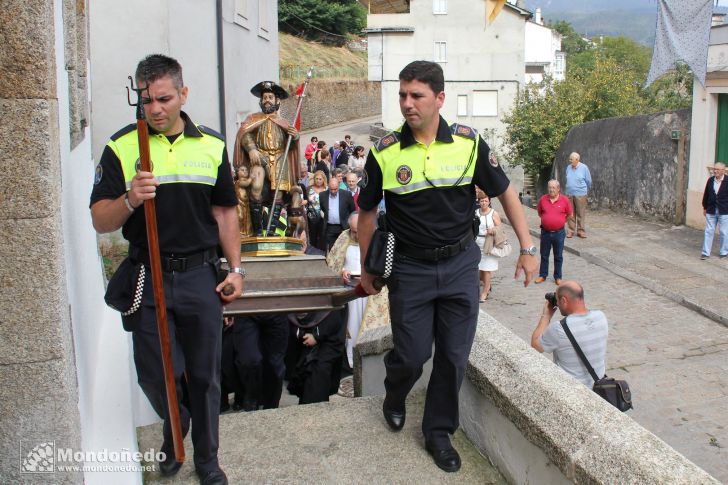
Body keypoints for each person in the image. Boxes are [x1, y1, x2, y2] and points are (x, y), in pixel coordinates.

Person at [357, 60, 537, 473]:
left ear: (439, 98)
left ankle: (438, 433)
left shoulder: (469, 144)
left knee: (454, 357)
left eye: (415, 95)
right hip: (410, 270)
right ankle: (395, 391)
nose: (406, 104)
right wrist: (369, 268)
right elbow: (366, 214)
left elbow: (506, 192)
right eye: (402, 95)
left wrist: (528, 247)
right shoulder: (384, 152)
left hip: (459, 266)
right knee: (412, 353)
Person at [90, 54, 241, 485]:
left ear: (183, 94)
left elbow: (225, 212)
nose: (154, 108)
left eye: (163, 98)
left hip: (200, 276)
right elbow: (101, 220)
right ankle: (176, 429)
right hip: (148, 274)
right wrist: (132, 198)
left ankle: (207, 460)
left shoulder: (212, 145)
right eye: (145, 100)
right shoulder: (123, 146)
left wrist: (237, 270)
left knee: (206, 374)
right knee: (155, 373)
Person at [233, 81, 303, 237]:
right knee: (256, 185)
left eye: (270, 97)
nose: (267, 100)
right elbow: (244, 134)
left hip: (279, 159)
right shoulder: (253, 119)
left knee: (278, 194)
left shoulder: (283, 122)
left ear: (277, 101)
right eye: (264, 97)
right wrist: (251, 149)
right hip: (260, 158)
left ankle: (271, 231)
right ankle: (257, 230)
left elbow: (290, 147)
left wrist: (295, 137)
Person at [531, 281, 608, 387]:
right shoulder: (601, 317)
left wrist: (546, 316)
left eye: (557, 300)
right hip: (598, 389)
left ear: (563, 300)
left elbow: (535, 346)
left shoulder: (559, 329)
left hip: (572, 390)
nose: (557, 303)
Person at [535, 180, 572, 285]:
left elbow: (570, 215)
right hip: (545, 232)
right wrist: (548, 220)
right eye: (549, 187)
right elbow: (540, 212)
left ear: (558, 189)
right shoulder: (543, 199)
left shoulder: (564, 200)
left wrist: (561, 222)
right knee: (544, 255)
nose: (551, 189)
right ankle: (542, 275)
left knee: (558, 256)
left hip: (559, 233)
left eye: (553, 188)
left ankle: (558, 277)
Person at [474, 193, 501, 302]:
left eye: (485, 201)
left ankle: (484, 292)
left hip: (489, 243)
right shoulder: (476, 213)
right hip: (477, 242)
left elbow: (499, 227)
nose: (484, 203)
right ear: (479, 202)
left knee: (487, 268)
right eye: (481, 201)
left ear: (489, 201)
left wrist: (493, 230)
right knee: (480, 268)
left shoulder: (493, 213)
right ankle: (487, 286)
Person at [320, 176, 356, 252]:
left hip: (343, 227)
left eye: (335, 189)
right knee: (332, 250)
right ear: (328, 187)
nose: (333, 191)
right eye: (331, 189)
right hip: (330, 228)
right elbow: (323, 208)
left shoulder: (346, 195)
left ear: (339, 186)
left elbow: (352, 209)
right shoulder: (322, 195)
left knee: (344, 249)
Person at [701, 162, 728, 260]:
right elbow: (706, 194)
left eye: (717, 169)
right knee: (709, 231)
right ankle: (705, 253)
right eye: (714, 169)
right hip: (711, 209)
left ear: (723, 171)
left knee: (724, 232)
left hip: (724, 211)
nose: (715, 171)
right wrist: (705, 207)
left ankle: (724, 252)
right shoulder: (710, 180)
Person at [564, 152, 592, 238]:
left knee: (581, 213)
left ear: (577, 160)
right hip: (569, 194)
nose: (570, 161)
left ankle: (581, 231)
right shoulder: (568, 167)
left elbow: (589, 181)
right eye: (570, 159)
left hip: (581, 194)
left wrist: (583, 190)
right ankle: (571, 230)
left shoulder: (584, 168)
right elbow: (567, 178)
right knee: (570, 213)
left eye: (571, 159)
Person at [307, 170, 328, 251]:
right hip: (312, 216)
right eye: (317, 178)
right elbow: (306, 200)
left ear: (323, 180)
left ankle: (322, 252)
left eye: (320, 179)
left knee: (322, 236)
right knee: (313, 236)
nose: (318, 181)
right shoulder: (309, 189)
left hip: (323, 216)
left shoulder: (327, 189)